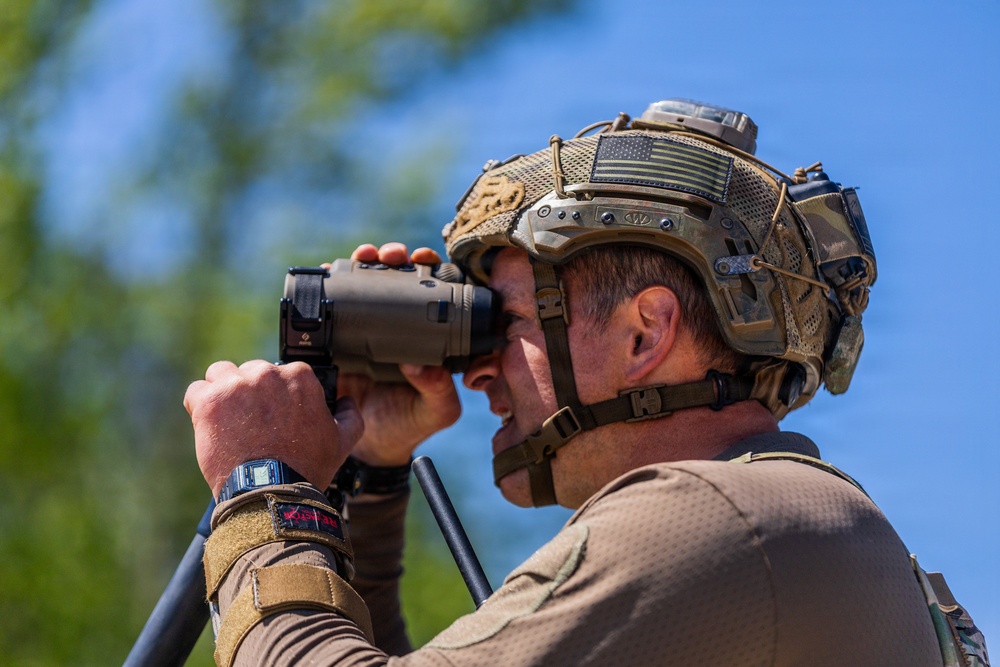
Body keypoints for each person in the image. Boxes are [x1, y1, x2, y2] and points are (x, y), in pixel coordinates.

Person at [184, 100, 989, 666]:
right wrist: (371, 471)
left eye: (506, 321)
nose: (480, 365)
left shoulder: (716, 520)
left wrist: (266, 481)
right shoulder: (790, 524)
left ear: (646, 331)